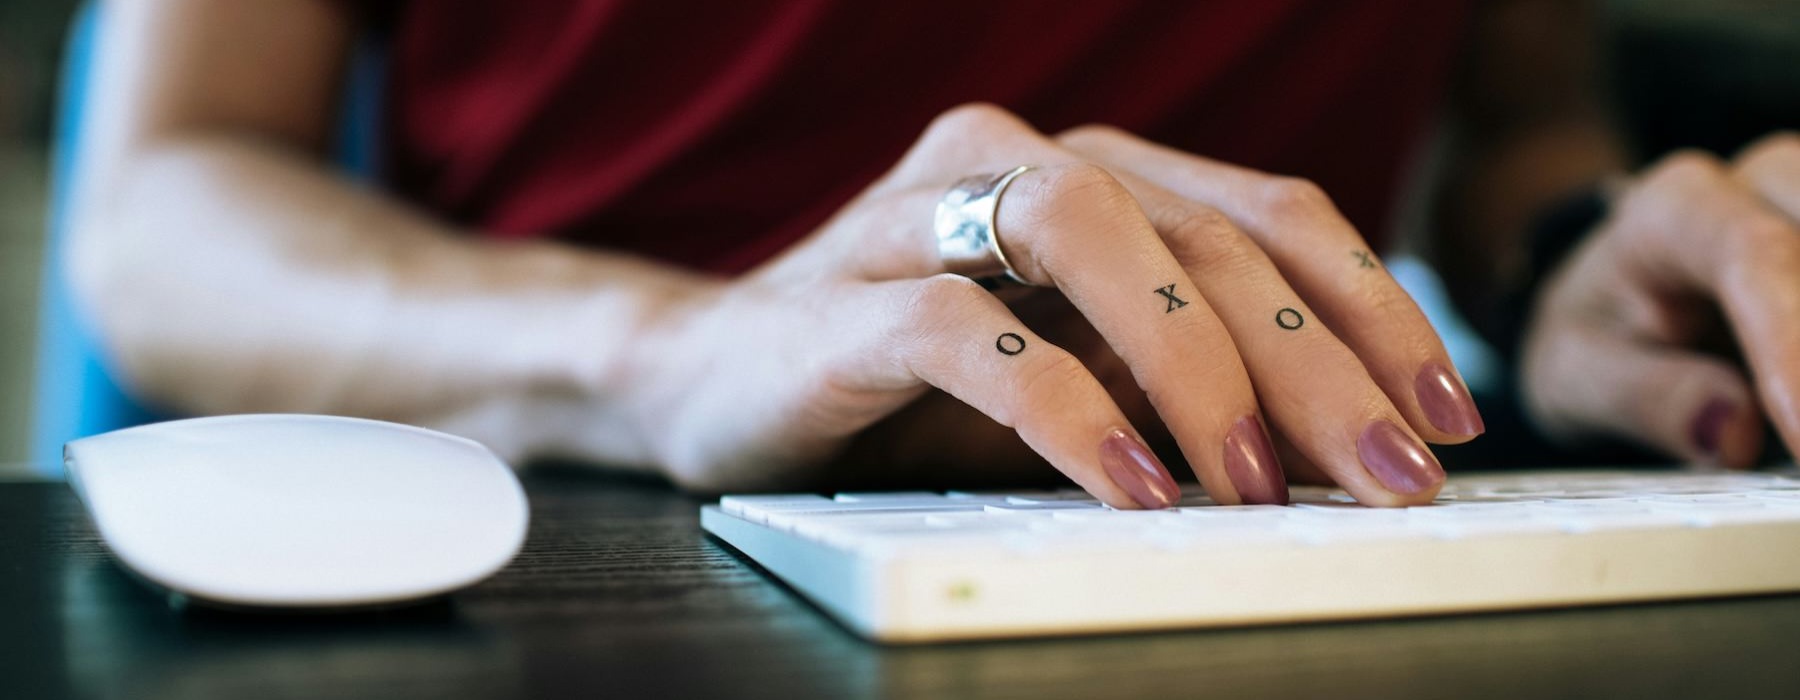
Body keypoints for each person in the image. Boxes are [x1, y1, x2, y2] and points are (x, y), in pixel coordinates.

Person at [67, 0, 1797, 509]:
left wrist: (1574, 255)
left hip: (1245, 539)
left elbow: (1519, 111)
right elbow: (163, 203)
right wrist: (677, 352)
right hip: (597, 519)